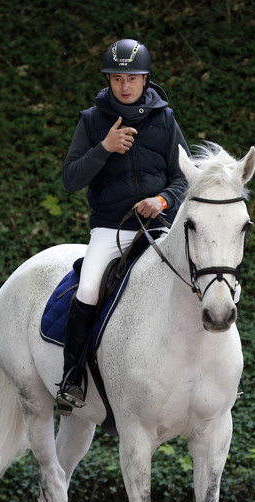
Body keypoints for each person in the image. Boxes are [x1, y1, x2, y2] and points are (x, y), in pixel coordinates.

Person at [57, 39, 190, 413]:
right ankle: (72, 378)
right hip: (109, 227)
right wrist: (104, 147)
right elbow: (70, 179)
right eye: (117, 79)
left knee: (203, 278)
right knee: (87, 289)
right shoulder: (91, 120)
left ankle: (213, 375)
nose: (125, 86)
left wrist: (162, 200)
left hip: (159, 225)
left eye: (132, 78)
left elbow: (183, 177)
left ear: (145, 79)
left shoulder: (165, 119)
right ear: (109, 81)